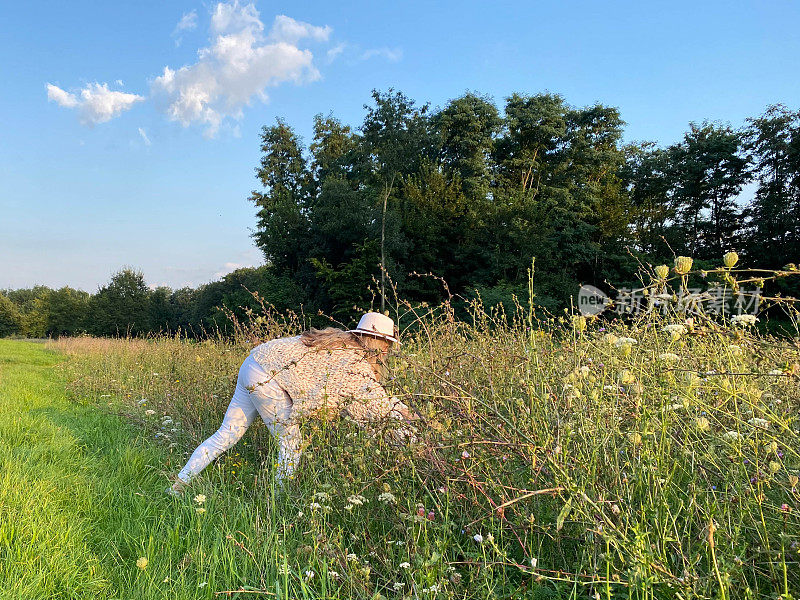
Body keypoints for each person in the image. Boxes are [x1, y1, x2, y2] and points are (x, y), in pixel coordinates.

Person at [168, 312, 416, 495]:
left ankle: (178, 486)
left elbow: (370, 395)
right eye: (387, 345)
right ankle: (277, 504)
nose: (387, 352)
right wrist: (405, 416)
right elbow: (372, 401)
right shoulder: (352, 360)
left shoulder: (337, 341)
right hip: (266, 376)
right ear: (376, 342)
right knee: (291, 444)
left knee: (226, 434)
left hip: (253, 362)